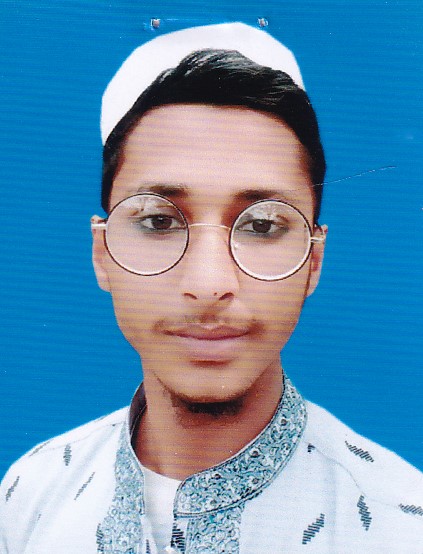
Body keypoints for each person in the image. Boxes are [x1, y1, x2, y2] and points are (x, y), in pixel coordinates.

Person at [0, 22, 422, 554]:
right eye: (158, 221)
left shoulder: (401, 526)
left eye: (262, 225)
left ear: (314, 261)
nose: (208, 284)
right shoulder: (30, 495)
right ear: (102, 252)